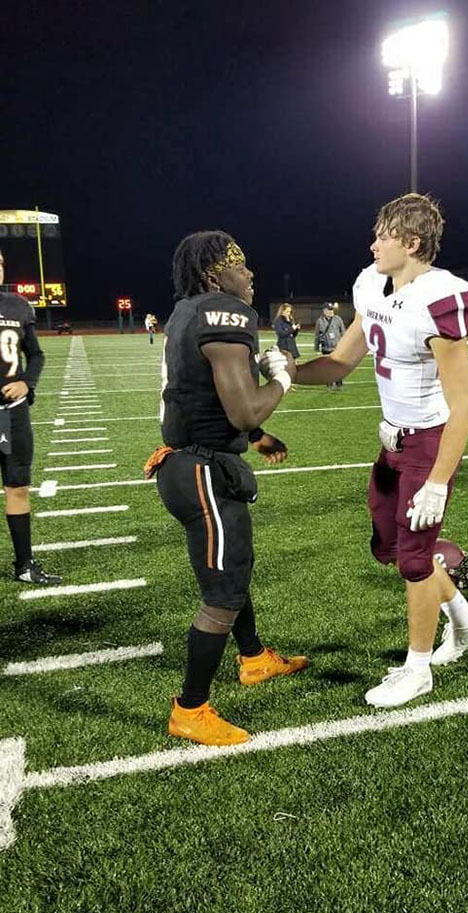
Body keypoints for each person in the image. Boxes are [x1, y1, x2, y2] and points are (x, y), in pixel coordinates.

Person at [295, 194, 468, 708]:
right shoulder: (372, 287)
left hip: (428, 441)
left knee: (413, 559)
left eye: (383, 235)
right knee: (388, 547)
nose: (373, 243)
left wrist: (436, 481)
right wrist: (288, 373)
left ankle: (418, 669)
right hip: (392, 439)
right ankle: (467, 621)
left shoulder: (438, 298)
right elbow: (339, 363)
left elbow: (464, 403)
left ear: (411, 242)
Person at [144, 230, 308, 746]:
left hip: (191, 462)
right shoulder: (223, 310)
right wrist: (282, 378)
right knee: (224, 588)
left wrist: (254, 437)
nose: (250, 274)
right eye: (240, 265)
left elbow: (199, 393)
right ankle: (190, 708)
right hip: (200, 472)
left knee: (233, 566)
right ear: (216, 275)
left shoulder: (189, 308)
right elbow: (241, 406)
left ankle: (255, 657)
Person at [0, 249, 62, 584]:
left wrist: (27, 382)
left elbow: (35, 355)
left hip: (11, 414)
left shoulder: (17, 306)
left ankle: (24, 565)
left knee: (17, 486)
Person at [314, 301, 346, 387]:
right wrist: (316, 349)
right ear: (324, 311)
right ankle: (329, 383)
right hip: (326, 348)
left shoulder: (338, 319)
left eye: (332, 310)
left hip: (337, 348)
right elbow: (317, 336)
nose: (331, 312)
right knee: (327, 367)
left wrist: (344, 346)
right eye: (329, 310)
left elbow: (343, 333)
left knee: (338, 367)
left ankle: (339, 383)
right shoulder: (320, 321)